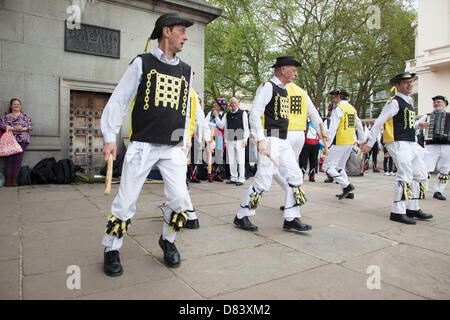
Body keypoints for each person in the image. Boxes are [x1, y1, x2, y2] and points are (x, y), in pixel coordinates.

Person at [100, 12, 214, 276]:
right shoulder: (142, 63)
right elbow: (119, 100)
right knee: (126, 200)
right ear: (166, 31)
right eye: (181, 31)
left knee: (180, 200)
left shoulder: (187, 71)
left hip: (172, 147)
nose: (186, 37)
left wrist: (185, 142)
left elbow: (186, 110)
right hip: (142, 145)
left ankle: (168, 240)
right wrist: (109, 137)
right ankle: (111, 248)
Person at [234, 56, 312, 233]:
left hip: (282, 140)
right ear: (283, 70)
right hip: (271, 139)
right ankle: (242, 215)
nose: (295, 73)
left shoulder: (284, 90)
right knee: (263, 180)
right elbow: (255, 115)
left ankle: (291, 217)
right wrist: (261, 139)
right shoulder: (268, 87)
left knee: (296, 176)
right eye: (293, 70)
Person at [361, 72, 433, 224]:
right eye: (406, 82)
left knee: (420, 174)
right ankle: (397, 211)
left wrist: (419, 125)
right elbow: (379, 122)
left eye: (411, 82)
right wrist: (370, 143)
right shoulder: (394, 102)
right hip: (397, 141)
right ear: (397, 85)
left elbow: (406, 122)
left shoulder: (408, 101)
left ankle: (413, 208)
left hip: (410, 142)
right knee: (405, 175)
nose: (410, 85)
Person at [273, 80, 326, 210]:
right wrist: (322, 132)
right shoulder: (302, 93)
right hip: (299, 134)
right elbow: (314, 114)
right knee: (291, 168)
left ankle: (293, 193)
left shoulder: (277, 90)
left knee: (274, 167)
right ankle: (291, 200)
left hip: (284, 133)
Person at [322, 89, 364, 200]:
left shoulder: (338, 108)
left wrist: (327, 144)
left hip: (339, 141)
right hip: (350, 141)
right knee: (340, 167)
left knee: (327, 167)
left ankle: (346, 185)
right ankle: (348, 192)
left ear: (339, 97)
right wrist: (361, 140)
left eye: (334, 97)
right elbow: (359, 125)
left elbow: (333, 128)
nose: (333, 99)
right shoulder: (351, 109)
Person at [415, 95, 449, 201]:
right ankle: (422, 190)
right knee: (425, 168)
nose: (436, 104)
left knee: (445, 169)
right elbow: (414, 125)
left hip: (448, 145)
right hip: (431, 145)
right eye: (434, 102)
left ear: (445, 104)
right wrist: (419, 125)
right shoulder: (427, 116)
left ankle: (439, 191)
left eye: (439, 102)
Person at [0, 98, 33, 187]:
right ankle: (8, 180)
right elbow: (2, 125)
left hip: (22, 140)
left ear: (20, 106)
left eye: (18, 104)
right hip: (9, 140)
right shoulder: (5, 117)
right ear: (11, 106)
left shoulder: (25, 117)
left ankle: (14, 180)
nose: (16, 106)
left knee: (18, 160)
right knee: (9, 160)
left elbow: (30, 126)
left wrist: (22, 129)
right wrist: (13, 128)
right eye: (14, 104)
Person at [217, 97, 249, 186]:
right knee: (231, 160)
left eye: (235, 102)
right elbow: (224, 127)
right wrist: (225, 140)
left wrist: (245, 139)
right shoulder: (227, 114)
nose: (233, 104)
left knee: (240, 159)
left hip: (240, 139)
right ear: (230, 104)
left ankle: (241, 179)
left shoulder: (243, 113)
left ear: (237, 104)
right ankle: (234, 177)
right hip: (230, 139)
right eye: (232, 103)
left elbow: (246, 127)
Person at [205, 97, 227, 182]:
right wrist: (212, 126)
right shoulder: (210, 113)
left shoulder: (224, 115)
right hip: (211, 136)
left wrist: (217, 117)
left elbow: (221, 125)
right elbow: (205, 123)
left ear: (219, 107)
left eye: (216, 104)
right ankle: (210, 174)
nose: (214, 105)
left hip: (219, 137)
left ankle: (217, 174)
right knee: (210, 154)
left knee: (218, 156)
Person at [299, 116, 320, 182]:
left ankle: (312, 175)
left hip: (315, 144)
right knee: (303, 160)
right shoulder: (305, 122)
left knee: (314, 160)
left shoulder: (318, 123)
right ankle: (301, 174)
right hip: (306, 143)